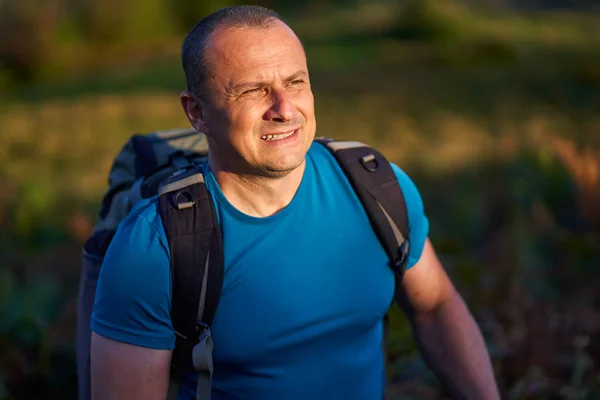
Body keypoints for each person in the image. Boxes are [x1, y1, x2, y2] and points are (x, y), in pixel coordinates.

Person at [89, 5, 501, 400]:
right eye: (254, 90)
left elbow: (436, 307)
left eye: (296, 82)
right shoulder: (154, 248)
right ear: (197, 113)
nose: (285, 110)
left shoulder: (375, 185)